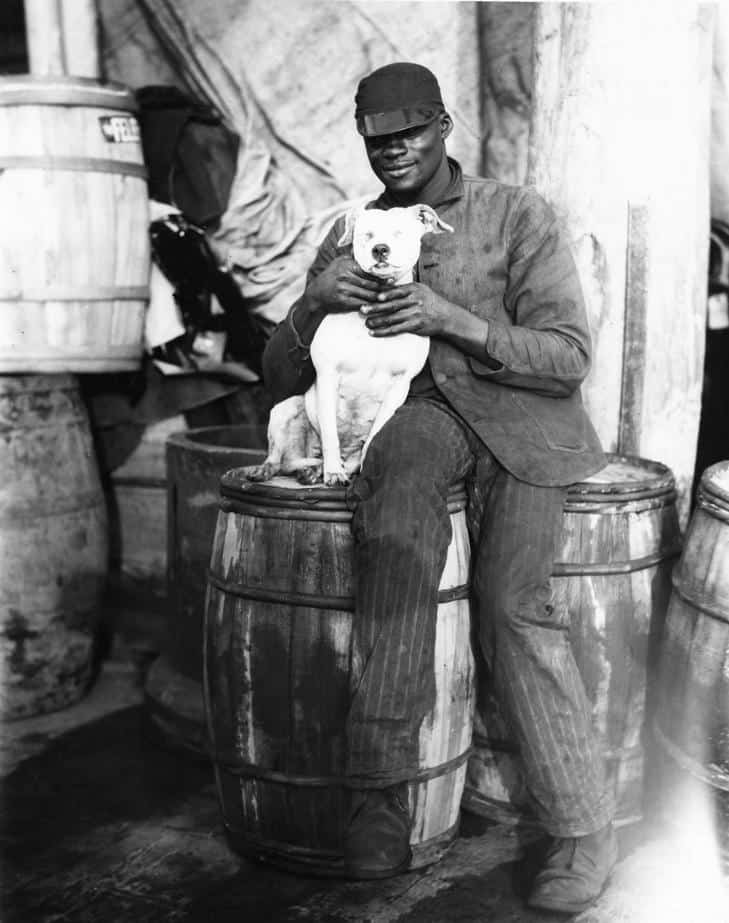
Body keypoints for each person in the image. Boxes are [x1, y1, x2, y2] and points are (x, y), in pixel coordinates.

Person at [261, 62, 617, 914]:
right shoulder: (351, 229)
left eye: (410, 134)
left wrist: (450, 319)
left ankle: (580, 828)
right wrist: (314, 304)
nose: (393, 153)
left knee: (512, 607)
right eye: (378, 141)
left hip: (527, 426)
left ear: (444, 124)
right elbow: (276, 377)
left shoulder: (515, 214)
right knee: (392, 541)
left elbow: (568, 354)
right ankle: (378, 796)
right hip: (420, 419)